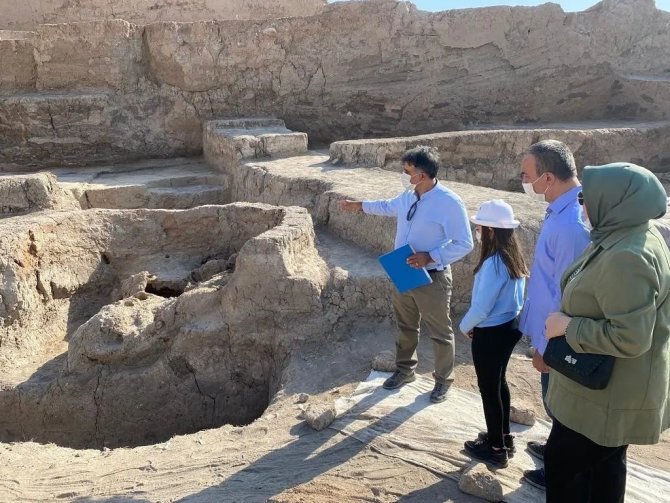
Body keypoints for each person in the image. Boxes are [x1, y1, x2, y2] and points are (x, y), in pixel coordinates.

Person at [543, 163, 670, 502]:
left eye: (585, 198)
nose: (582, 206)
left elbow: (630, 337)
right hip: (605, 391)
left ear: (613, 202)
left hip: (602, 399)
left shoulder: (627, 256)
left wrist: (567, 326)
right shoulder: (625, 233)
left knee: (566, 470)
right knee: (605, 471)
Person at [339, 146, 473, 403]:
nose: (403, 175)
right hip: (403, 270)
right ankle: (404, 371)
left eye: (407, 171)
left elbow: (464, 243)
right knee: (406, 325)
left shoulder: (449, 202)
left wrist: (431, 256)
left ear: (421, 175)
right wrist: (359, 206)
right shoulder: (408, 196)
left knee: (440, 331)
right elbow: (387, 206)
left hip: (431, 276)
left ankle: (443, 381)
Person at [517, 140, 591, 489]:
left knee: (563, 407)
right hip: (551, 335)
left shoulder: (571, 226)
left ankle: (562, 472)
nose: (524, 182)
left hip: (559, 342)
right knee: (556, 405)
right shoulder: (561, 213)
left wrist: (547, 348)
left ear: (547, 178)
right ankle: (556, 451)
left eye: (526, 175)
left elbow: (569, 298)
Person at [459, 200, 528, 468]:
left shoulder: (493, 264)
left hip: (491, 333)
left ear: (490, 230)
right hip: (509, 327)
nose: (477, 232)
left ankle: (496, 449)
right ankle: (504, 437)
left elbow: (481, 307)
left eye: (479, 227)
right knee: (499, 383)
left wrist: (465, 326)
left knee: (489, 389)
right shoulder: (512, 258)